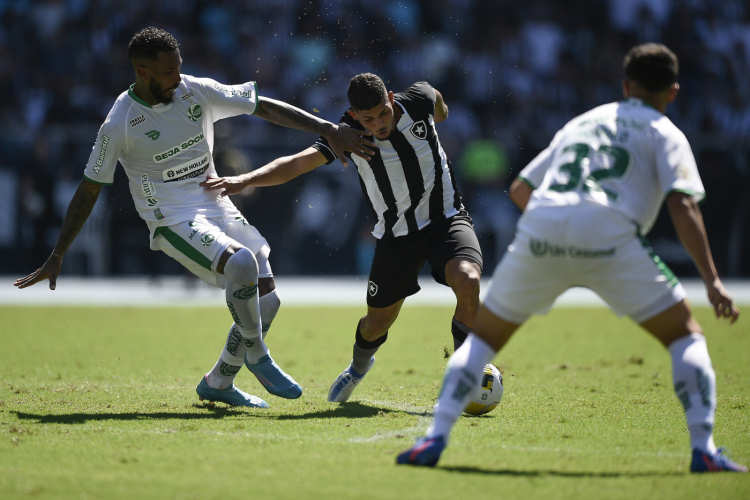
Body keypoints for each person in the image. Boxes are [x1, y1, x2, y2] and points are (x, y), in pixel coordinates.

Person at [397, 43, 747, 473]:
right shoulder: (666, 132)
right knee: (685, 336)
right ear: (672, 92)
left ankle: (432, 442)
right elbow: (684, 205)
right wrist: (711, 280)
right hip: (611, 233)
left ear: (624, 85)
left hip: (543, 229)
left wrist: (558, 235)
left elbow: (522, 188)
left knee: (483, 339)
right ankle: (704, 450)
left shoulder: (585, 121)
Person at [14, 27, 374, 408]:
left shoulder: (195, 90)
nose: (177, 77)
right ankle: (257, 354)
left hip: (213, 200)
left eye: (179, 67)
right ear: (143, 72)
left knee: (268, 302)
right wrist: (57, 254)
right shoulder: (119, 121)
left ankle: (219, 382)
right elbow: (89, 188)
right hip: (170, 217)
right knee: (241, 263)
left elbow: (263, 106)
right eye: (168, 72)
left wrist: (327, 129)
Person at [201, 73, 484, 403]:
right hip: (397, 237)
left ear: (391, 98)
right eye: (368, 118)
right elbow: (295, 164)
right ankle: (357, 368)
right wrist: (245, 179)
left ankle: (464, 374)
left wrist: (442, 112)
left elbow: (435, 99)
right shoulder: (347, 134)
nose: (377, 124)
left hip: (446, 220)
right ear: (353, 113)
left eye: (382, 113)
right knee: (375, 326)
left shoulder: (416, 100)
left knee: (468, 279)